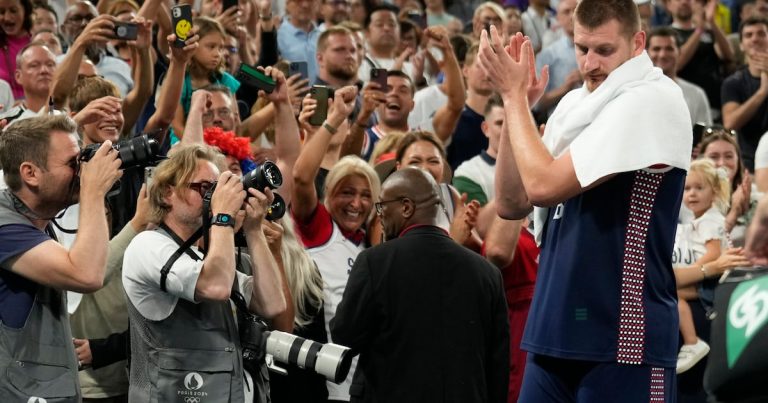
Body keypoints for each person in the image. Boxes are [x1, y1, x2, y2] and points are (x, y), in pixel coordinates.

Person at [478, 0, 692, 399]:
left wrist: (512, 95)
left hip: (624, 336)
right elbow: (511, 202)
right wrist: (517, 102)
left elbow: (542, 186)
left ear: (637, 43)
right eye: (582, 48)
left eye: (605, 51)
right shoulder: (573, 105)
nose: (590, 64)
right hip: (553, 324)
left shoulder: (652, 99)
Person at [122, 144, 286, 403]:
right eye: (204, 189)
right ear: (167, 193)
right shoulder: (147, 246)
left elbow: (272, 304)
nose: (213, 197)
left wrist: (254, 230)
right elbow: (215, 287)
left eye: (217, 188)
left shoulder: (207, 257)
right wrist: (223, 217)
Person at [330, 167, 509, 403]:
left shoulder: (375, 262)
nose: (380, 216)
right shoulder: (488, 274)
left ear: (406, 207)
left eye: (383, 207)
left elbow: (344, 335)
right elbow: (498, 368)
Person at [0, 115, 122, 402]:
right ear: (30, 173)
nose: (82, 171)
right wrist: (94, 190)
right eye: (73, 164)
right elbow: (86, 274)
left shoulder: (35, 220)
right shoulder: (5, 226)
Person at [290, 83, 381, 401]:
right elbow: (302, 177)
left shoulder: (367, 243)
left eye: (365, 196)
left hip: (364, 380)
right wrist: (334, 120)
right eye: (347, 192)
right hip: (323, 381)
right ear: (329, 195)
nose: (356, 203)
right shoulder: (319, 225)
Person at [671, 159, 730, 374]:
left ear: (714, 192)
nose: (692, 194)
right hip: (708, 279)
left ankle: (692, 341)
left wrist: (692, 272)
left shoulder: (709, 221)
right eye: (687, 189)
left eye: (699, 188)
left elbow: (714, 253)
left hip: (712, 283)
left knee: (672, 292)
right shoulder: (704, 219)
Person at [171, 16, 240, 141]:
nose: (217, 54)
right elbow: (176, 125)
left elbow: (235, 122)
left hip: (222, 142)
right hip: (185, 143)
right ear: (193, 45)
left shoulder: (226, 80)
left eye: (220, 48)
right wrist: (202, 147)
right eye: (211, 46)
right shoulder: (180, 80)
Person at [721, 16, 768, 171]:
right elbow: (730, 123)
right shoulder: (733, 82)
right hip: (748, 162)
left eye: (761, 33)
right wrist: (762, 93)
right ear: (741, 45)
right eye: (749, 35)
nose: (755, 39)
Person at [647, 26, 713, 126]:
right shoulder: (635, 91)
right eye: (656, 49)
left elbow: (705, 138)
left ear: (679, 52)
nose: (662, 55)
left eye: (669, 49)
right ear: (647, 53)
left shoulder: (696, 94)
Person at [0, 0, 32, 99]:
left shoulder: (38, 41)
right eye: (1, 12)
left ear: (25, 11)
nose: (7, 18)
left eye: (13, 11)